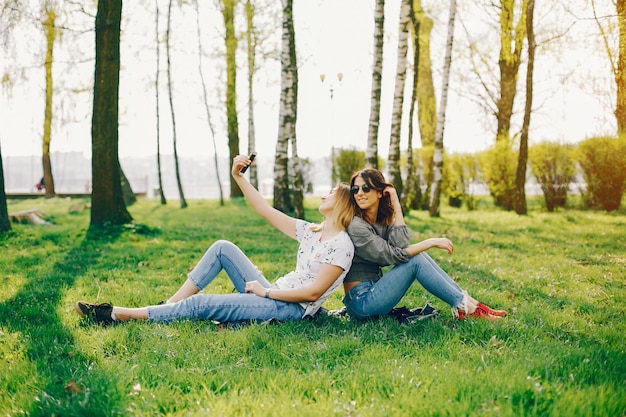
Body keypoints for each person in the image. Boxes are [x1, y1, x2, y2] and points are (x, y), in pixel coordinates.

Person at [75, 154, 355, 326]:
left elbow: (312, 294)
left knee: (201, 304)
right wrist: (239, 177)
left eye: (330, 193)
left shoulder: (341, 245)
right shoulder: (312, 231)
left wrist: (265, 292)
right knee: (223, 248)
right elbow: (264, 209)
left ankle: (117, 315)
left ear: (342, 203)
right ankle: (169, 306)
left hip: (289, 309)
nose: (323, 196)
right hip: (275, 295)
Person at [342, 168, 507, 321]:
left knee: (418, 256)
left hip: (374, 291)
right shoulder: (356, 226)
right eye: (355, 190)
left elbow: (401, 244)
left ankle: (473, 305)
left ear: (379, 193)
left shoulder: (381, 219)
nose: (359, 194)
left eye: (366, 188)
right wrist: (431, 242)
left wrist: (395, 202)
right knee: (416, 259)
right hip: (361, 303)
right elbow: (392, 255)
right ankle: (465, 308)